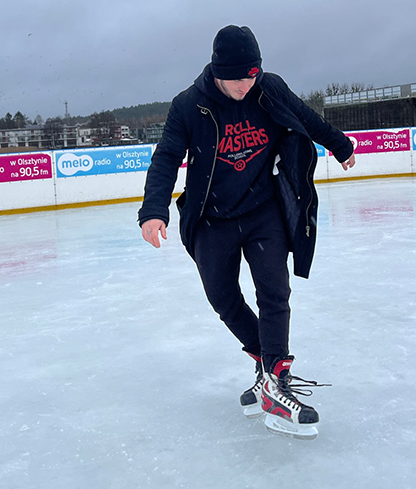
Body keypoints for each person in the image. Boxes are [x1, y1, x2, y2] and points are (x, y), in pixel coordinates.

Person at [138, 25, 355, 439]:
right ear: (218, 72)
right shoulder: (189, 105)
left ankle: (276, 378)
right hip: (211, 218)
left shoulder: (268, 89)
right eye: (238, 78)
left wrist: (340, 146)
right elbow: (166, 155)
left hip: (262, 211)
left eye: (252, 75)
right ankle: (265, 362)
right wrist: (154, 210)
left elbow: (306, 119)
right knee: (222, 298)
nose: (245, 85)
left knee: (274, 290)